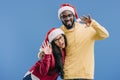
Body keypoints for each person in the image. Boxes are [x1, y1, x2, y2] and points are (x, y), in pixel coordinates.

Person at [57, 3, 109, 80]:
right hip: (68, 75)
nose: (67, 18)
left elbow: (105, 35)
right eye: (63, 16)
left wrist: (93, 23)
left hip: (86, 74)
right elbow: (49, 47)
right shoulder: (59, 33)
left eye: (69, 15)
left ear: (74, 16)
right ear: (60, 18)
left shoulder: (86, 29)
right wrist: (41, 53)